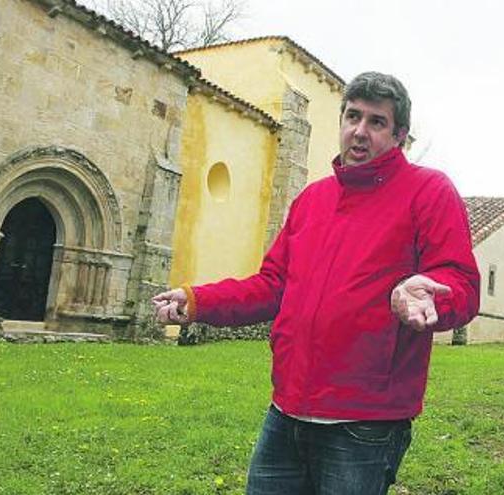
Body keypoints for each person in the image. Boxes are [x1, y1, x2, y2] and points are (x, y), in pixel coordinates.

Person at [152, 72, 480, 495]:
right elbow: (272, 285)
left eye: (376, 122)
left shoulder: (429, 191)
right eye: (352, 116)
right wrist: (198, 301)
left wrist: (424, 293)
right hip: (286, 412)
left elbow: (462, 283)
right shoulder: (312, 200)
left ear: (399, 134)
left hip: (363, 425)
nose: (360, 131)